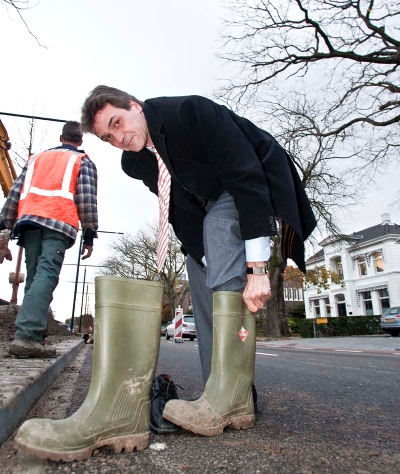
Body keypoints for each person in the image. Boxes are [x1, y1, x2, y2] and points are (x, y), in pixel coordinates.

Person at [80, 86, 316, 436]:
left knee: (218, 225)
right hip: (208, 202)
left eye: (118, 123)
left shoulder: (190, 112)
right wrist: (208, 261)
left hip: (256, 178)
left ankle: (230, 396)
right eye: (108, 137)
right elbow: (178, 209)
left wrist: (257, 269)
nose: (119, 138)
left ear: (134, 106)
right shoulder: (135, 162)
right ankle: (221, 393)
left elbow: (243, 175)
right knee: (198, 265)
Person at [0, 121, 98, 359]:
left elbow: (15, 191)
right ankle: (28, 336)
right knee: (46, 275)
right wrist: (89, 233)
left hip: (29, 223)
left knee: (34, 277)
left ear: (61, 137)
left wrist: (4, 224)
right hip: (58, 224)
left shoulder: (37, 159)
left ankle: (34, 332)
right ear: (80, 141)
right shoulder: (82, 161)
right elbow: (86, 199)